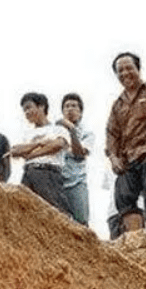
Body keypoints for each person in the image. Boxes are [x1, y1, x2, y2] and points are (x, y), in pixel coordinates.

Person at [105, 52, 146, 232]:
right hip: (128, 157)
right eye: (120, 70)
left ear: (138, 69)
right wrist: (113, 157)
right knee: (123, 195)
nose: (125, 73)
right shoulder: (117, 104)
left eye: (129, 68)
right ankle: (136, 239)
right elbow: (112, 133)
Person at [9, 92, 71, 215]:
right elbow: (14, 151)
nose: (26, 113)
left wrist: (31, 154)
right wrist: (39, 143)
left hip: (48, 173)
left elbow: (57, 145)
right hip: (28, 174)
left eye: (29, 107)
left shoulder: (58, 129)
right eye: (24, 110)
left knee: (55, 212)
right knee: (24, 214)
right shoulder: (27, 134)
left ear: (41, 106)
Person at [57, 93, 94, 225]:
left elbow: (79, 154)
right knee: (59, 222)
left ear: (81, 112)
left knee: (81, 221)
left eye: (74, 106)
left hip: (76, 182)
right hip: (57, 182)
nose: (70, 109)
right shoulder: (55, 131)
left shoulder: (87, 133)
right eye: (66, 106)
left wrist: (72, 131)